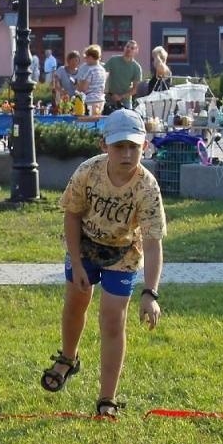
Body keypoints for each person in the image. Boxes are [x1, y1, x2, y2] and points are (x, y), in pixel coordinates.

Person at [41, 109, 165, 419]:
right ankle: (68, 359)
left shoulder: (147, 187)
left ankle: (107, 397)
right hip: (84, 246)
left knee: (112, 320)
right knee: (75, 304)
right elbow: (72, 215)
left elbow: (153, 242)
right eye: (119, 146)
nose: (127, 154)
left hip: (123, 253)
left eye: (133, 146)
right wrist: (77, 263)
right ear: (104, 145)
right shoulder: (88, 172)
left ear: (145, 146)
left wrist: (150, 293)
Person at [102, 39, 142, 113]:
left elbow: (135, 89)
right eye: (127, 47)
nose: (129, 49)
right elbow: (103, 75)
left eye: (132, 48)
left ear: (136, 51)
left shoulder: (136, 67)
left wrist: (120, 97)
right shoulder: (113, 60)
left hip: (125, 102)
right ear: (124, 48)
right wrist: (106, 91)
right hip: (109, 99)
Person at [77, 45, 107, 117]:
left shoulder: (90, 70)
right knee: (97, 120)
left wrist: (79, 84)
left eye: (86, 57)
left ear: (90, 57)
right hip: (100, 100)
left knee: (89, 121)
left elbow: (84, 88)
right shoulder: (102, 70)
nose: (85, 60)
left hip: (90, 100)